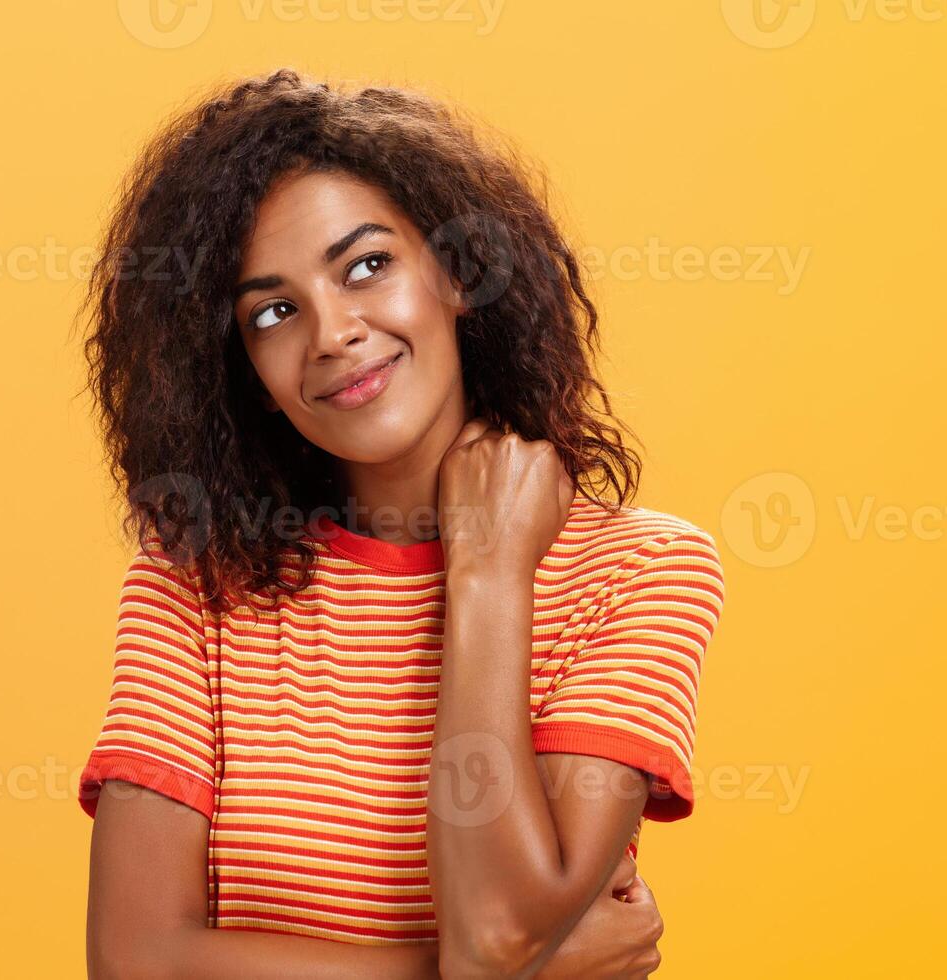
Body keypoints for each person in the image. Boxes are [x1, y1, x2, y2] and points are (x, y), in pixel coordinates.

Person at [77, 69, 725, 979]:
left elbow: (496, 930)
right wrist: (500, 973)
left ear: (460, 273)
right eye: (273, 311)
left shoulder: (639, 569)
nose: (333, 332)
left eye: (367, 266)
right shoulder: (195, 579)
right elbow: (135, 962)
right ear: (246, 373)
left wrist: (490, 573)